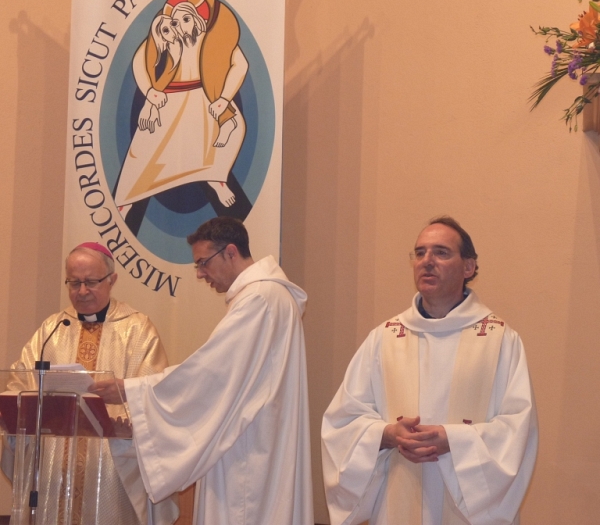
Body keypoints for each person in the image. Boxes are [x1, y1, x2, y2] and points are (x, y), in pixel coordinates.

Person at [93, 217, 314, 525]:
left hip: (248, 454)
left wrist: (131, 390)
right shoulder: (268, 297)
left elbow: (211, 374)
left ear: (231, 252)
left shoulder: (259, 300)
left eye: (203, 263)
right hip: (255, 440)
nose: (200, 274)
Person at [321, 217, 538, 525]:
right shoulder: (385, 338)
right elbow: (343, 422)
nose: (427, 262)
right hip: (397, 500)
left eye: (441, 252)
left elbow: (518, 430)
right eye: (420, 253)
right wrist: (386, 434)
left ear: (469, 267)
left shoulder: (500, 340)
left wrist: (454, 440)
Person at [2, 242, 177, 525]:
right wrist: (14, 413)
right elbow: (19, 383)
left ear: (112, 280)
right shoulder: (52, 330)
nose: (82, 291)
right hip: (54, 473)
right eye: (74, 282)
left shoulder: (137, 330)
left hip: (110, 470)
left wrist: (127, 423)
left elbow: (153, 392)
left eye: (91, 282)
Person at [114, 0, 247, 215]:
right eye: (176, 21)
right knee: (142, 150)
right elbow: (139, 61)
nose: (181, 26)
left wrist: (224, 99)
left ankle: (217, 179)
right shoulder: (167, 39)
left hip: (205, 97)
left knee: (229, 131)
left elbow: (240, 65)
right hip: (170, 101)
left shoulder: (215, 40)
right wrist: (149, 92)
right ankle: (125, 201)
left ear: (197, 19)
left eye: (186, 19)